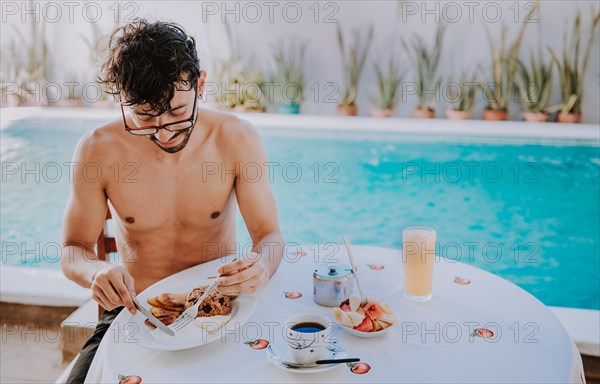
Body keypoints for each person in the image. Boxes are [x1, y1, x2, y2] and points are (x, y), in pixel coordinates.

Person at [60, 19, 284, 383]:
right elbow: (73, 250)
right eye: (145, 117)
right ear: (121, 99)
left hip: (221, 309)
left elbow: (270, 237)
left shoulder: (235, 138)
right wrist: (96, 271)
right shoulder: (97, 149)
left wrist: (262, 266)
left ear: (200, 84)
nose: (163, 132)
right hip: (134, 313)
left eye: (178, 113)